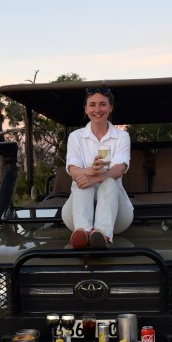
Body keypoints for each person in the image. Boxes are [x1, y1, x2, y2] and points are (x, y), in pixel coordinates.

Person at [61, 86, 134, 248]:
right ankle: (83, 232)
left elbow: (119, 169)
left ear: (110, 108)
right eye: (92, 104)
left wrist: (96, 178)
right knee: (82, 181)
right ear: (86, 109)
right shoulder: (76, 137)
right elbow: (73, 170)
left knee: (108, 182)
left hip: (117, 216)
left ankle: (103, 235)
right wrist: (90, 172)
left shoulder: (122, 136)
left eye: (102, 104)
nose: (97, 109)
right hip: (76, 213)